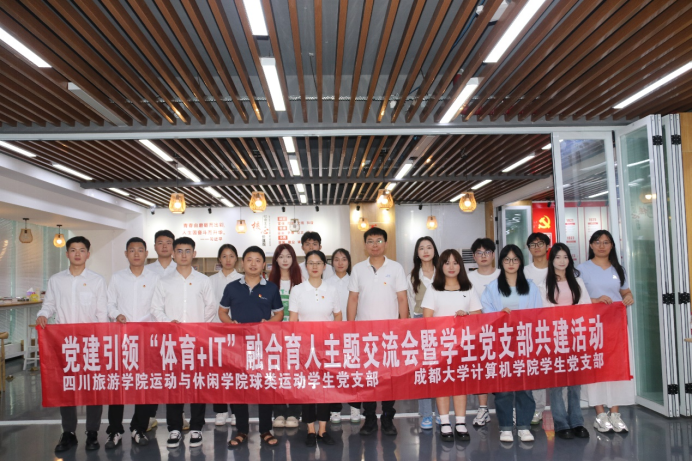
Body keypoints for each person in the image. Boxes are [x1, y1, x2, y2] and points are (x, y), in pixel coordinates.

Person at [36, 236, 108, 452]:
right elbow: (49, 304)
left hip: (91, 343)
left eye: (82, 250)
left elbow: (102, 313)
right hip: (64, 343)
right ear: (67, 253)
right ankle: (68, 433)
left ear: (88, 254)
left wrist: (102, 341)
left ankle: (92, 432)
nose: (77, 253)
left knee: (93, 389)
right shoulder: (56, 280)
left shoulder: (97, 280)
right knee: (66, 388)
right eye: (73, 250)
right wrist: (42, 314)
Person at [150, 237, 217, 449]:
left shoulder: (203, 281)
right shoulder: (164, 281)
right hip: (172, 342)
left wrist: (198, 327)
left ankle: (197, 427)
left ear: (194, 254)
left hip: (197, 342)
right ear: (173, 254)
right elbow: (155, 308)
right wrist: (168, 323)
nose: (184, 255)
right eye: (179, 251)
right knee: (174, 385)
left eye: (188, 251)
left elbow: (211, 307)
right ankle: (175, 429)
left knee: (197, 384)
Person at [219, 246, 284, 448]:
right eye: (249, 259)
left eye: (257, 260)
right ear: (242, 263)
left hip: (263, 346)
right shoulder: (231, 287)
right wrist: (231, 325)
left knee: (265, 387)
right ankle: (242, 430)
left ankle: (265, 429)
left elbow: (279, 314)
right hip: (237, 346)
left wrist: (268, 324)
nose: (253, 264)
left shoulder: (271, 288)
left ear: (264, 265)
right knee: (239, 387)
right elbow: (222, 312)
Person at [347, 227, 408, 436]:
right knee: (368, 378)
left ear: (386, 243)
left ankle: (388, 418)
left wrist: (403, 327)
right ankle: (370, 419)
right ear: (365, 245)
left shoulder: (396, 268)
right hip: (364, 334)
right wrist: (351, 327)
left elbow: (402, 299)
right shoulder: (358, 269)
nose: (375, 245)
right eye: (371, 241)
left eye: (379, 240)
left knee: (389, 378)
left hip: (390, 334)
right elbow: (353, 299)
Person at [480, 244, 542, 443]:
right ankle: (505, 427)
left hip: (525, 341)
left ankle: (524, 426)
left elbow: (538, 313)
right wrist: (499, 315)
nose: (511, 263)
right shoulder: (492, 287)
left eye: (515, 259)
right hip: (502, 343)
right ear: (502, 262)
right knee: (504, 388)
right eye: (507, 260)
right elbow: (486, 312)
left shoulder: (531, 287)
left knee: (525, 387)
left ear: (521, 262)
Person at [576, 230, 635, 433]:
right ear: (591, 245)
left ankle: (615, 413)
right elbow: (575, 297)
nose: (602, 246)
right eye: (597, 242)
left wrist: (628, 297)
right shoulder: (581, 269)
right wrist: (595, 300)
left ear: (612, 246)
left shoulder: (619, 269)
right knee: (596, 367)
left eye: (606, 242)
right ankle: (600, 414)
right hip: (592, 326)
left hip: (616, 326)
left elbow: (625, 291)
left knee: (617, 368)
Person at [105, 237, 159, 449]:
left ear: (146, 253)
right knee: (118, 385)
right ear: (126, 254)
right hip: (122, 339)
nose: (136, 254)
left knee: (144, 385)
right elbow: (109, 303)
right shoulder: (117, 278)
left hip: (147, 340)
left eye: (140, 250)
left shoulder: (155, 278)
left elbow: (159, 306)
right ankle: (114, 430)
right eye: (132, 250)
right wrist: (116, 314)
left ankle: (139, 428)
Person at [422, 249, 482, 442]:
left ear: (460, 266)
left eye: (455, 263)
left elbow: (478, 316)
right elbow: (427, 319)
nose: (451, 267)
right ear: (441, 266)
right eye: (447, 263)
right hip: (440, 346)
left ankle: (461, 422)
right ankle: (445, 422)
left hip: (463, 346)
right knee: (443, 384)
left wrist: (466, 316)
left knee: (460, 383)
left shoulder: (468, 288)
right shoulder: (433, 289)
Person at [289, 250, 341, 446]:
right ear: (306, 266)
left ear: (324, 266)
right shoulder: (298, 290)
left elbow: (338, 315)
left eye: (318, 262)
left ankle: (323, 430)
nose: (314, 266)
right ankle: (310, 429)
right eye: (310, 263)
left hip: (326, 346)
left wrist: (333, 336)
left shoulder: (332, 289)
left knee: (325, 388)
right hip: (305, 348)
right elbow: (293, 320)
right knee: (308, 388)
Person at [542, 243, 591, 440]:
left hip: (575, 336)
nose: (562, 261)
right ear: (551, 260)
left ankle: (577, 421)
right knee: (556, 383)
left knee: (575, 382)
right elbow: (544, 311)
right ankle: (561, 423)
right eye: (558, 257)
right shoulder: (544, 284)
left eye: (565, 257)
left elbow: (586, 306)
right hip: (555, 338)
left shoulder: (577, 282)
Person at [144, 229, 177, 431]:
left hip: (177, 332)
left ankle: (179, 416)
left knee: (175, 375)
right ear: (154, 246)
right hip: (153, 332)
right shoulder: (147, 271)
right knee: (153, 375)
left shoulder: (181, 268)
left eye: (168, 242)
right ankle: (150, 415)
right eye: (160, 242)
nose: (164, 246)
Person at [466, 238, 500, 427]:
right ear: (474, 256)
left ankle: (507, 409)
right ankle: (483, 408)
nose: (483, 256)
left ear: (493, 255)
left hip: (502, 331)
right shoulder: (468, 278)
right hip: (477, 332)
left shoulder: (503, 274)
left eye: (487, 252)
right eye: (479, 253)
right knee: (481, 370)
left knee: (502, 369)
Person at [268, 244, 303, 428]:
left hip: (296, 336)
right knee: (277, 374)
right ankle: (279, 412)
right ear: (276, 259)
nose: (284, 260)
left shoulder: (301, 282)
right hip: (275, 337)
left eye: (288, 256)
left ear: (293, 259)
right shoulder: (268, 282)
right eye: (281, 256)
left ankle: (294, 413)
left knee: (295, 374)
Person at [406, 236, 440, 430]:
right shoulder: (412, 276)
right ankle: (426, 414)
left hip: (441, 323)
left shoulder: (443, 272)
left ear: (434, 250)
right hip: (420, 323)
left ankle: (442, 413)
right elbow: (411, 304)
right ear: (417, 253)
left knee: (441, 368)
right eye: (421, 248)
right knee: (424, 370)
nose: (426, 251)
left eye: (429, 247)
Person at [326, 248, 360, 424]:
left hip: (352, 332)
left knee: (353, 371)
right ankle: (335, 409)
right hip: (332, 334)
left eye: (344, 259)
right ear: (332, 263)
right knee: (334, 371)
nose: (340, 263)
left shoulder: (354, 280)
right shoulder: (325, 283)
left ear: (349, 262)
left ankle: (355, 407)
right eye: (336, 259)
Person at [209, 244, 242, 428]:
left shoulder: (242, 279)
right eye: (224, 256)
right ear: (219, 259)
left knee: (236, 373)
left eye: (231, 256)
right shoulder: (210, 280)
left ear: (236, 258)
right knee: (218, 373)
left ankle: (236, 411)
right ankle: (220, 411)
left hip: (236, 334)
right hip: (215, 332)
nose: (228, 260)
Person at [523, 232, 552, 425]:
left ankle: (562, 410)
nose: (537, 247)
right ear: (529, 249)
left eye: (541, 243)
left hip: (556, 326)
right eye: (533, 245)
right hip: (533, 327)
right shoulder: (524, 271)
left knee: (558, 368)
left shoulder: (557, 268)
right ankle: (537, 409)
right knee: (537, 369)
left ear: (548, 246)